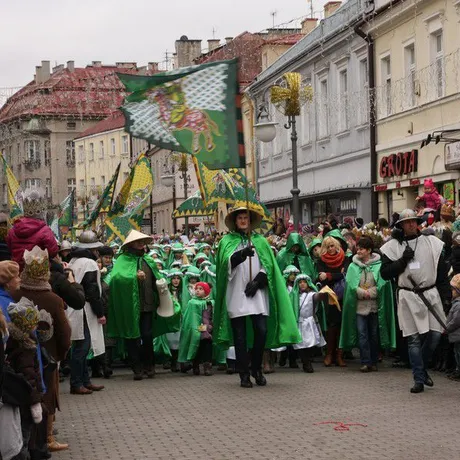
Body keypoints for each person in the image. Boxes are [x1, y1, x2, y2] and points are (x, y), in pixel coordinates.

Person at [214, 207, 300, 388]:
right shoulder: (227, 241)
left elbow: (269, 264)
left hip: (257, 293)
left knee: (261, 330)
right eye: (240, 218)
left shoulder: (260, 240)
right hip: (236, 293)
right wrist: (239, 255)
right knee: (240, 336)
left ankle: (256, 367)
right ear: (235, 221)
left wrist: (260, 279)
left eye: (246, 217)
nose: (243, 220)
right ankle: (243, 373)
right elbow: (223, 266)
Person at [380, 209, 450, 393]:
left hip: (430, 294)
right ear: (401, 225)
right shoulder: (392, 247)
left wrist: (446, 298)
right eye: (407, 222)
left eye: (413, 221)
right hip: (408, 296)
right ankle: (418, 378)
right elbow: (385, 274)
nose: (411, 224)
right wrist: (402, 261)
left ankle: (422, 367)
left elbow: (442, 273)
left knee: (435, 335)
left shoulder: (432, 243)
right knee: (413, 340)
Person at [16, 245, 72, 453]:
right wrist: (63, 352)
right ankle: (45, 439)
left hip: (19, 353)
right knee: (47, 395)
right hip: (48, 355)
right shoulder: (53, 299)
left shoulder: (16, 293)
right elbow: (64, 332)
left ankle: (29, 439)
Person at [108, 230, 178, 380]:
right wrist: (134, 276)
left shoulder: (148, 260)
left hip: (147, 305)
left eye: (142, 242)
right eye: (137, 242)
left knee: (147, 335)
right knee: (132, 337)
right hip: (130, 307)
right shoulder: (123, 260)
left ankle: (149, 366)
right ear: (131, 244)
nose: (140, 244)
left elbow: (156, 280)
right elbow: (116, 278)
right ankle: (136, 368)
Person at [340, 236, 396, 372]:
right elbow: (351, 284)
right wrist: (360, 292)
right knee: (362, 334)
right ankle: (365, 361)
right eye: (357, 249)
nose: (358, 251)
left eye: (361, 249)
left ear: (369, 250)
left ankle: (374, 361)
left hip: (374, 306)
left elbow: (383, 284)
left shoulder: (379, 265)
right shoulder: (353, 266)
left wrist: (370, 293)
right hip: (359, 307)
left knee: (374, 334)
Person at [67, 231, 105, 395]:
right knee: (82, 348)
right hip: (83, 309)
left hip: (76, 308)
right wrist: (100, 312)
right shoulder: (89, 263)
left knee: (81, 346)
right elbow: (92, 290)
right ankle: (77, 383)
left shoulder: (74, 261)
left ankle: (84, 380)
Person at [6, 298, 43, 460]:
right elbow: (30, 378)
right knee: (23, 441)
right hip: (25, 402)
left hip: (16, 400)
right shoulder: (25, 349)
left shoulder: (12, 342)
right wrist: (35, 402)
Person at [316, 236, 350, 367]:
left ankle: (339, 354)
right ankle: (329, 354)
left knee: (341, 324)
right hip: (329, 295)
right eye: (328, 246)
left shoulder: (345, 259)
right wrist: (337, 275)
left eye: (333, 245)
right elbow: (322, 278)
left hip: (343, 295)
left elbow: (345, 275)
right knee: (332, 324)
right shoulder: (321, 261)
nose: (331, 249)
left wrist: (329, 275)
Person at [6, 188, 59, 270]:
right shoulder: (45, 230)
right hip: (37, 272)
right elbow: (53, 252)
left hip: (17, 270)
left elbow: (10, 249)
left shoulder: (12, 230)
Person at [290, 274, 327, 373]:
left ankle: (307, 361)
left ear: (308, 283)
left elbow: (317, 297)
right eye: (300, 282)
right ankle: (306, 363)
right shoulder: (294, 295)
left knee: (310, 343)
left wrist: (323, 292)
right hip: (299, 322)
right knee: (300, 344)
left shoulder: (311, 294)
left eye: (304, 282)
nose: (302, 284)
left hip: (309, 322)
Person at [178, 282, 214, 376]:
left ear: (206, 292)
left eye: (201, 289)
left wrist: (210, 327)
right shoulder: (192, 302)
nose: (198, 290)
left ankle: (207, 366)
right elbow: (191, 318)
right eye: (197, 288)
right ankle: (195, 365)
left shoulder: (210, 302)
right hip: (197, 329)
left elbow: (211, 317)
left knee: (207, 346)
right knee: (196, 347)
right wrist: (199, 328)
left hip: (208, 329)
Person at [446, 274, 460, 381]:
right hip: (456, 336)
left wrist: (447, 328)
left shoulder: (458, 305)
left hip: (457, 335)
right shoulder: (455, 303)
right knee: (456, 353)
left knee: (458, 354)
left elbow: (456, 321)